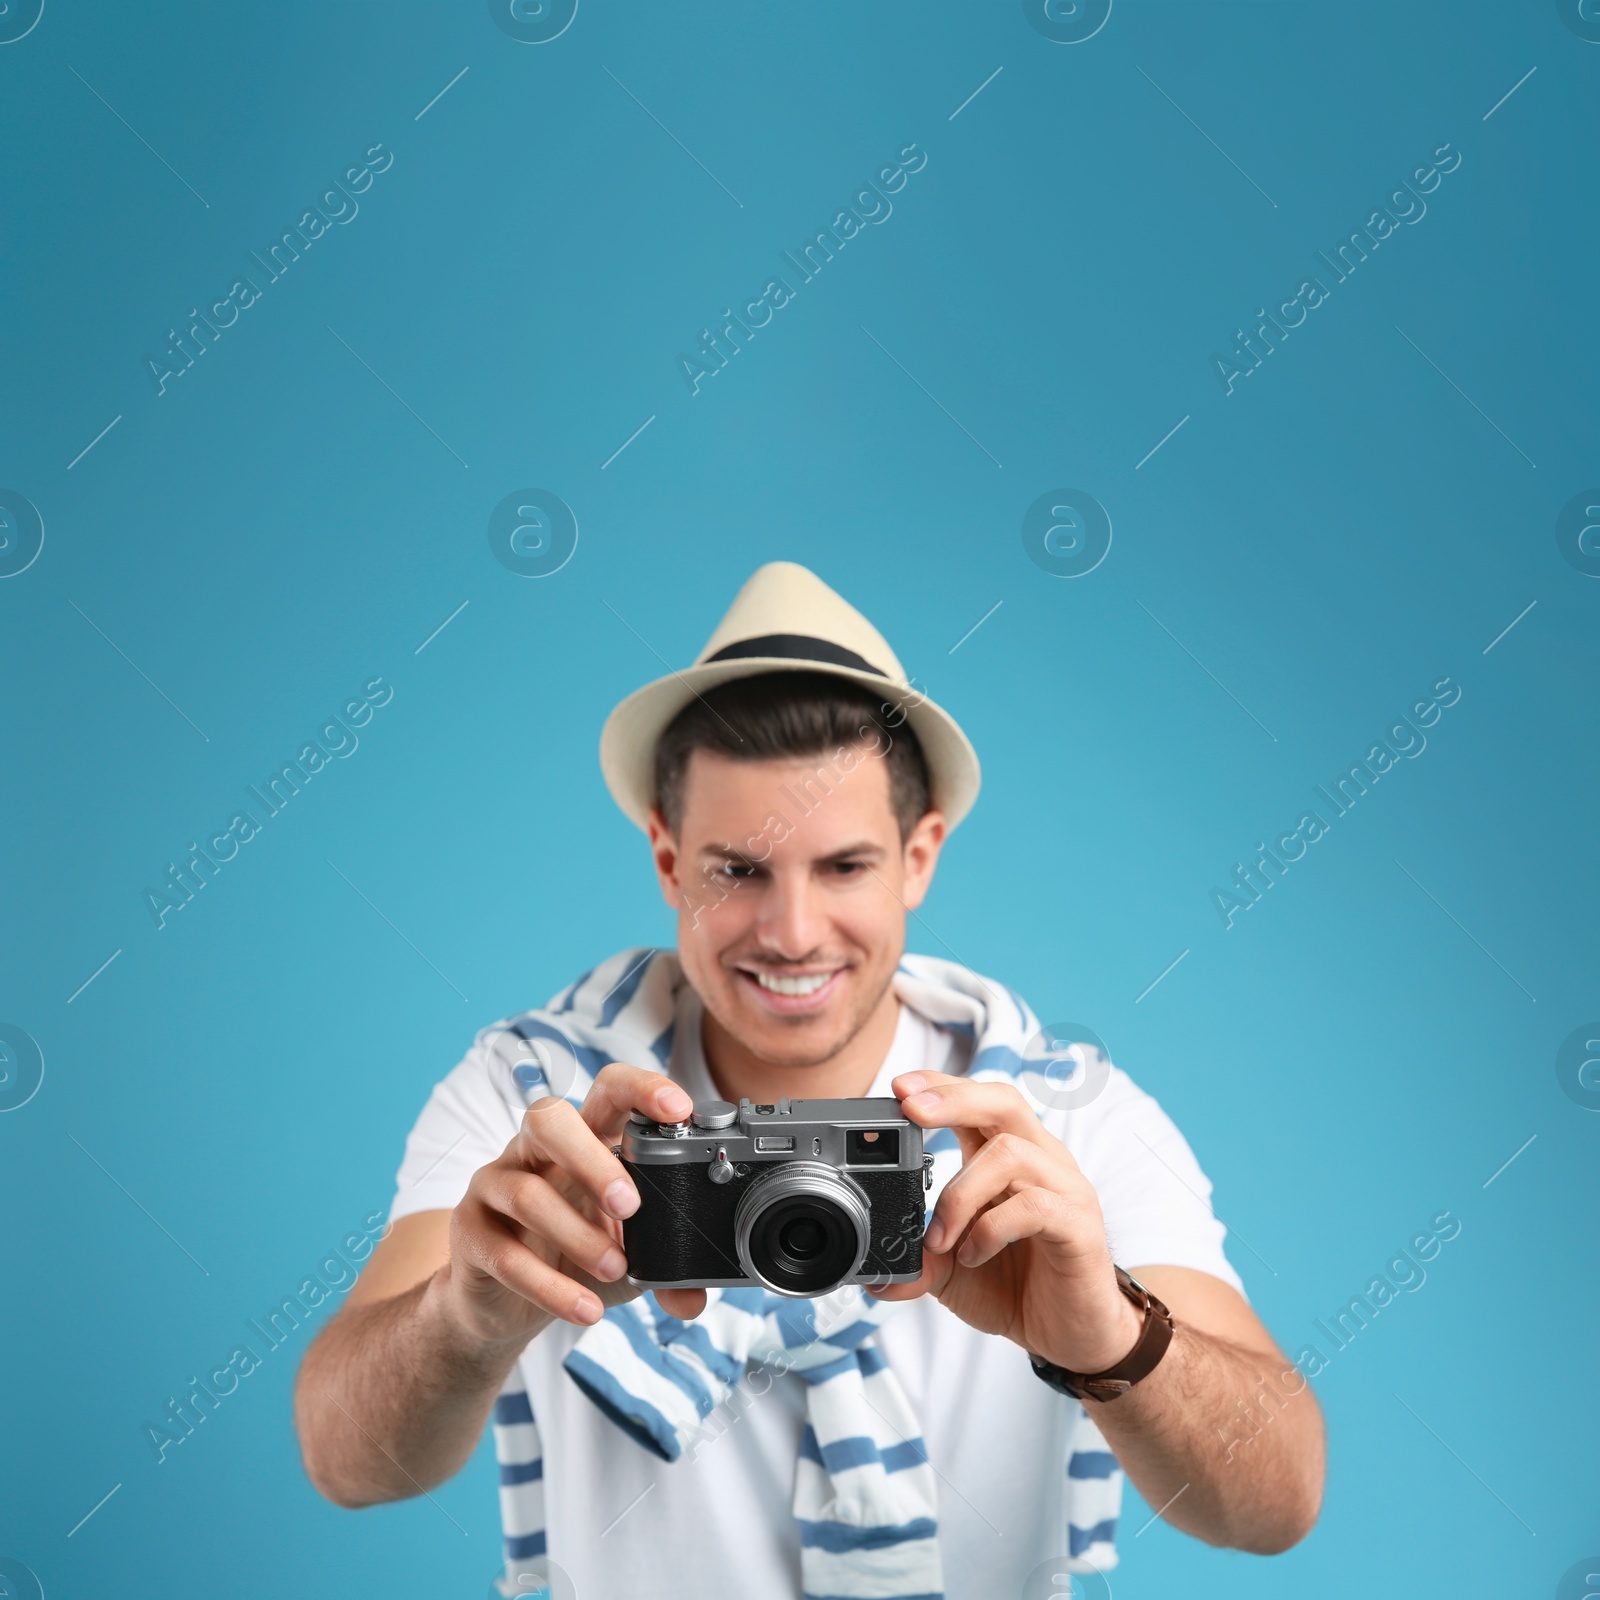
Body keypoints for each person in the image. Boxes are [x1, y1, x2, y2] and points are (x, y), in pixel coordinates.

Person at [294, 561, 1324, 1600]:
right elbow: (348, 1464)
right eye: (736, 869)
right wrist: (469, 1314)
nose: (790, 934)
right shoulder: (536, 1095)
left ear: (918, 857)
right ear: (666, 860)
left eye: (843, 866)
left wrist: (1106, 1333)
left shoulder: (1059, 1114)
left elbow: (1275, 1504)